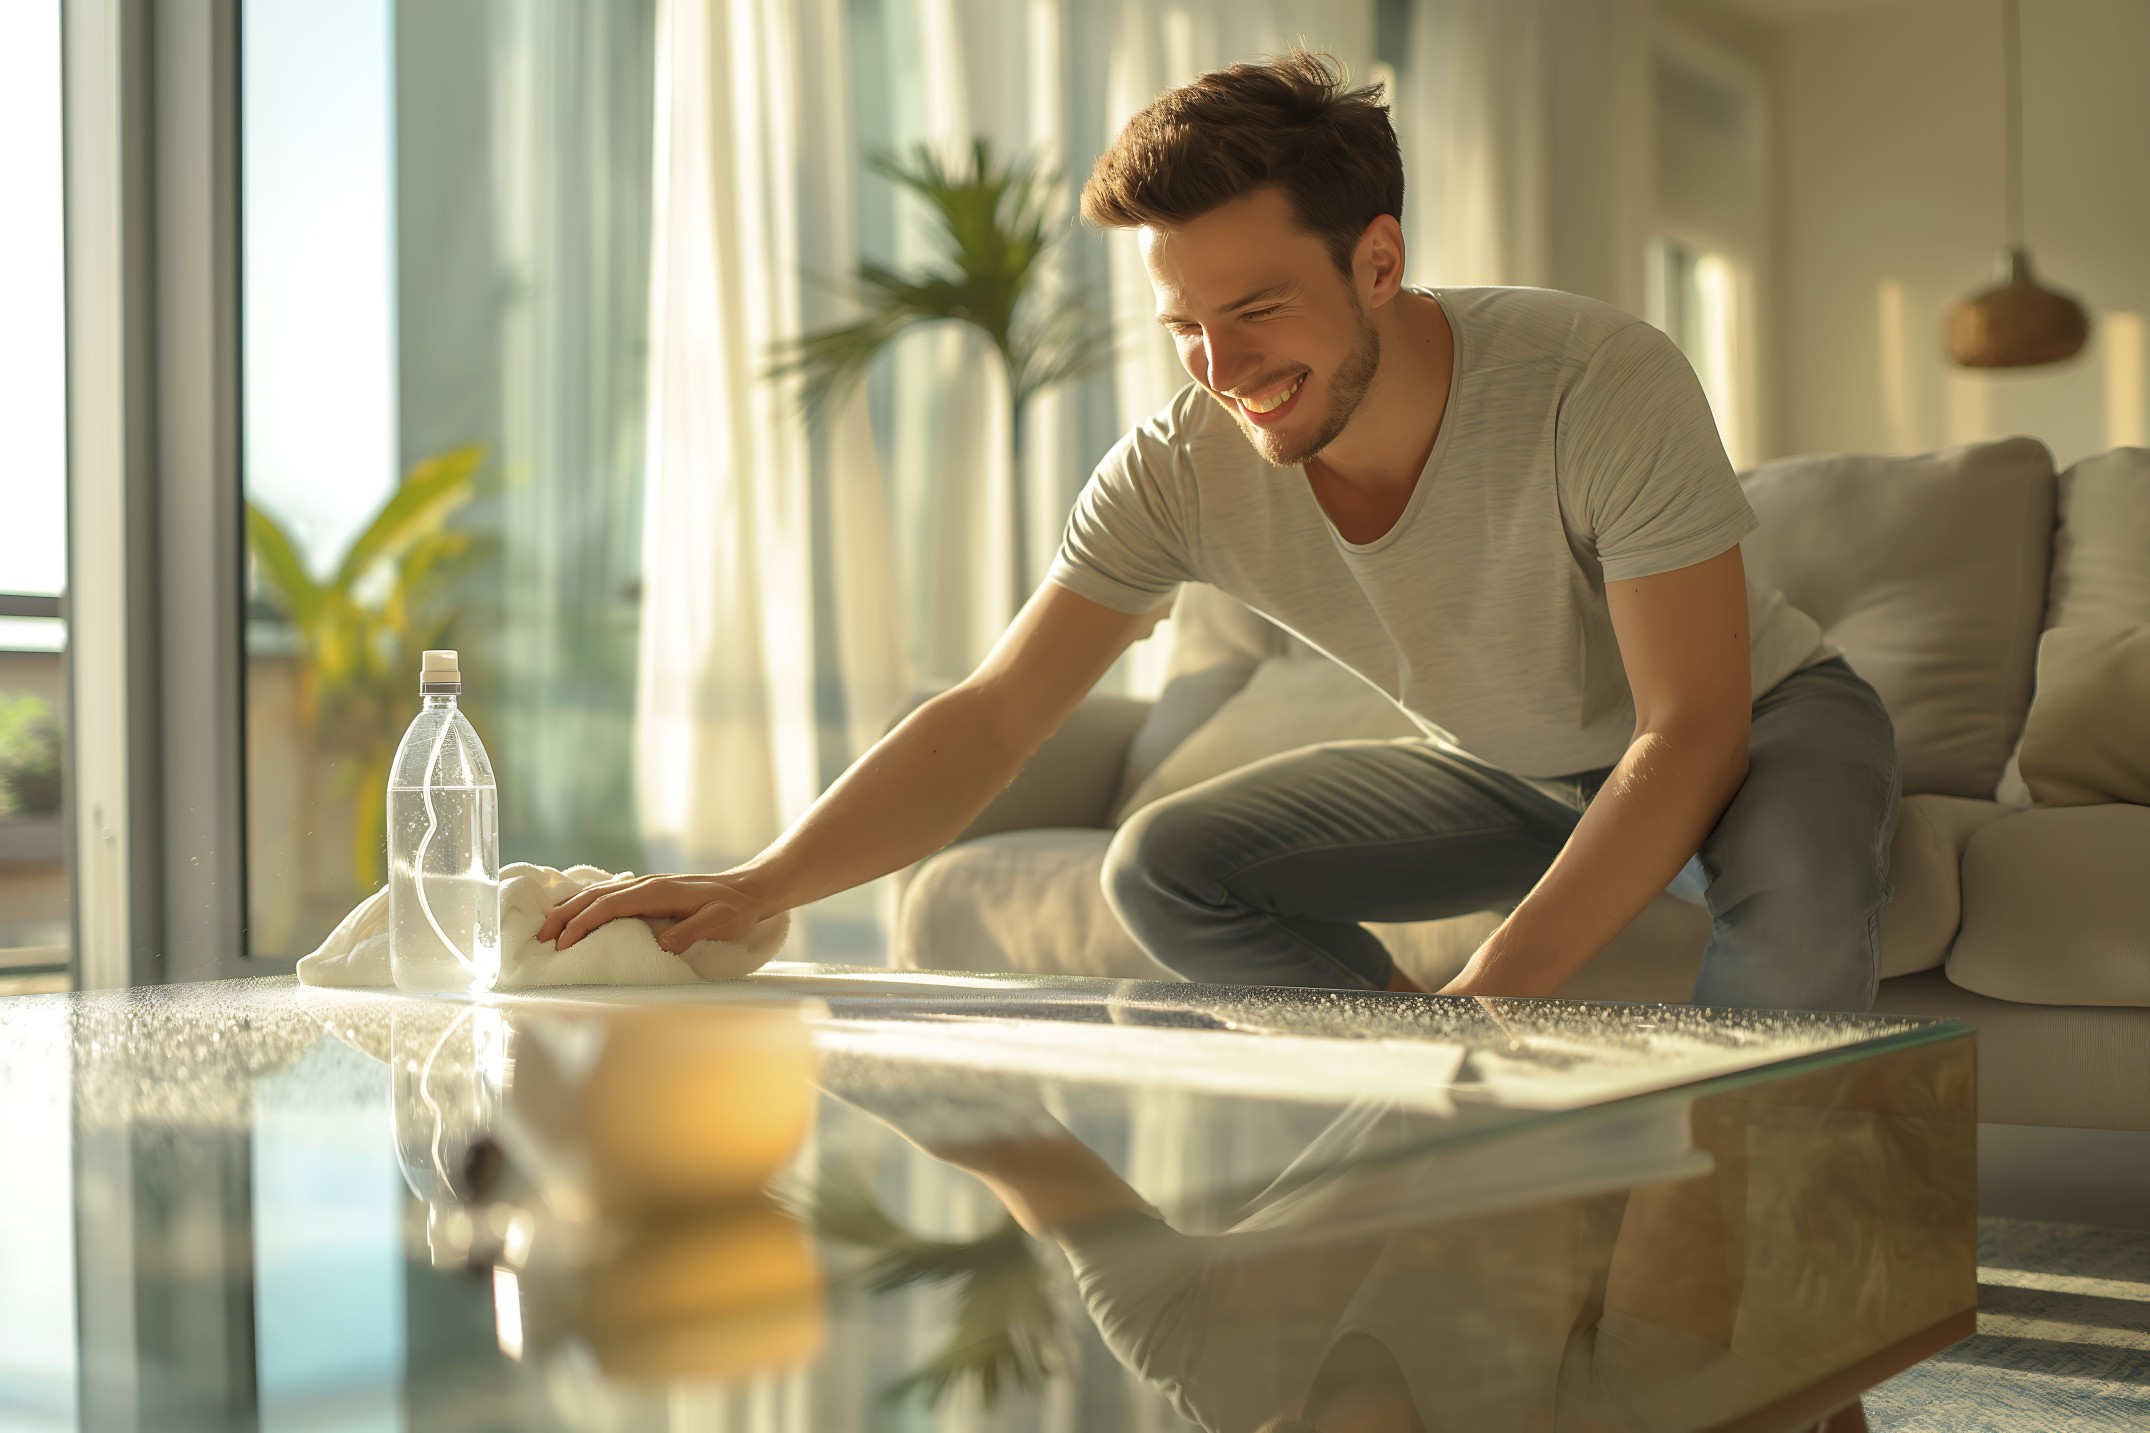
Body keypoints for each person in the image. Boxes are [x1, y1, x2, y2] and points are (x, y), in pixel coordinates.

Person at [538, 48, 1899, 1011]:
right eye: (1180, 324)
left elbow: (1689, 728)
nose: (1216, 363)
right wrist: (760, 879)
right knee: (1170, 866)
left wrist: (1499, 995)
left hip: (1758, 725)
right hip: (1512, 771)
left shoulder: (1590, 378)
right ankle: (1420, 1125)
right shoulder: (1179, 466)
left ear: (1377, 260)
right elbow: (999, 711)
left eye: (1252, 311)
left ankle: (1775, 1335)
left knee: (1786, 936)